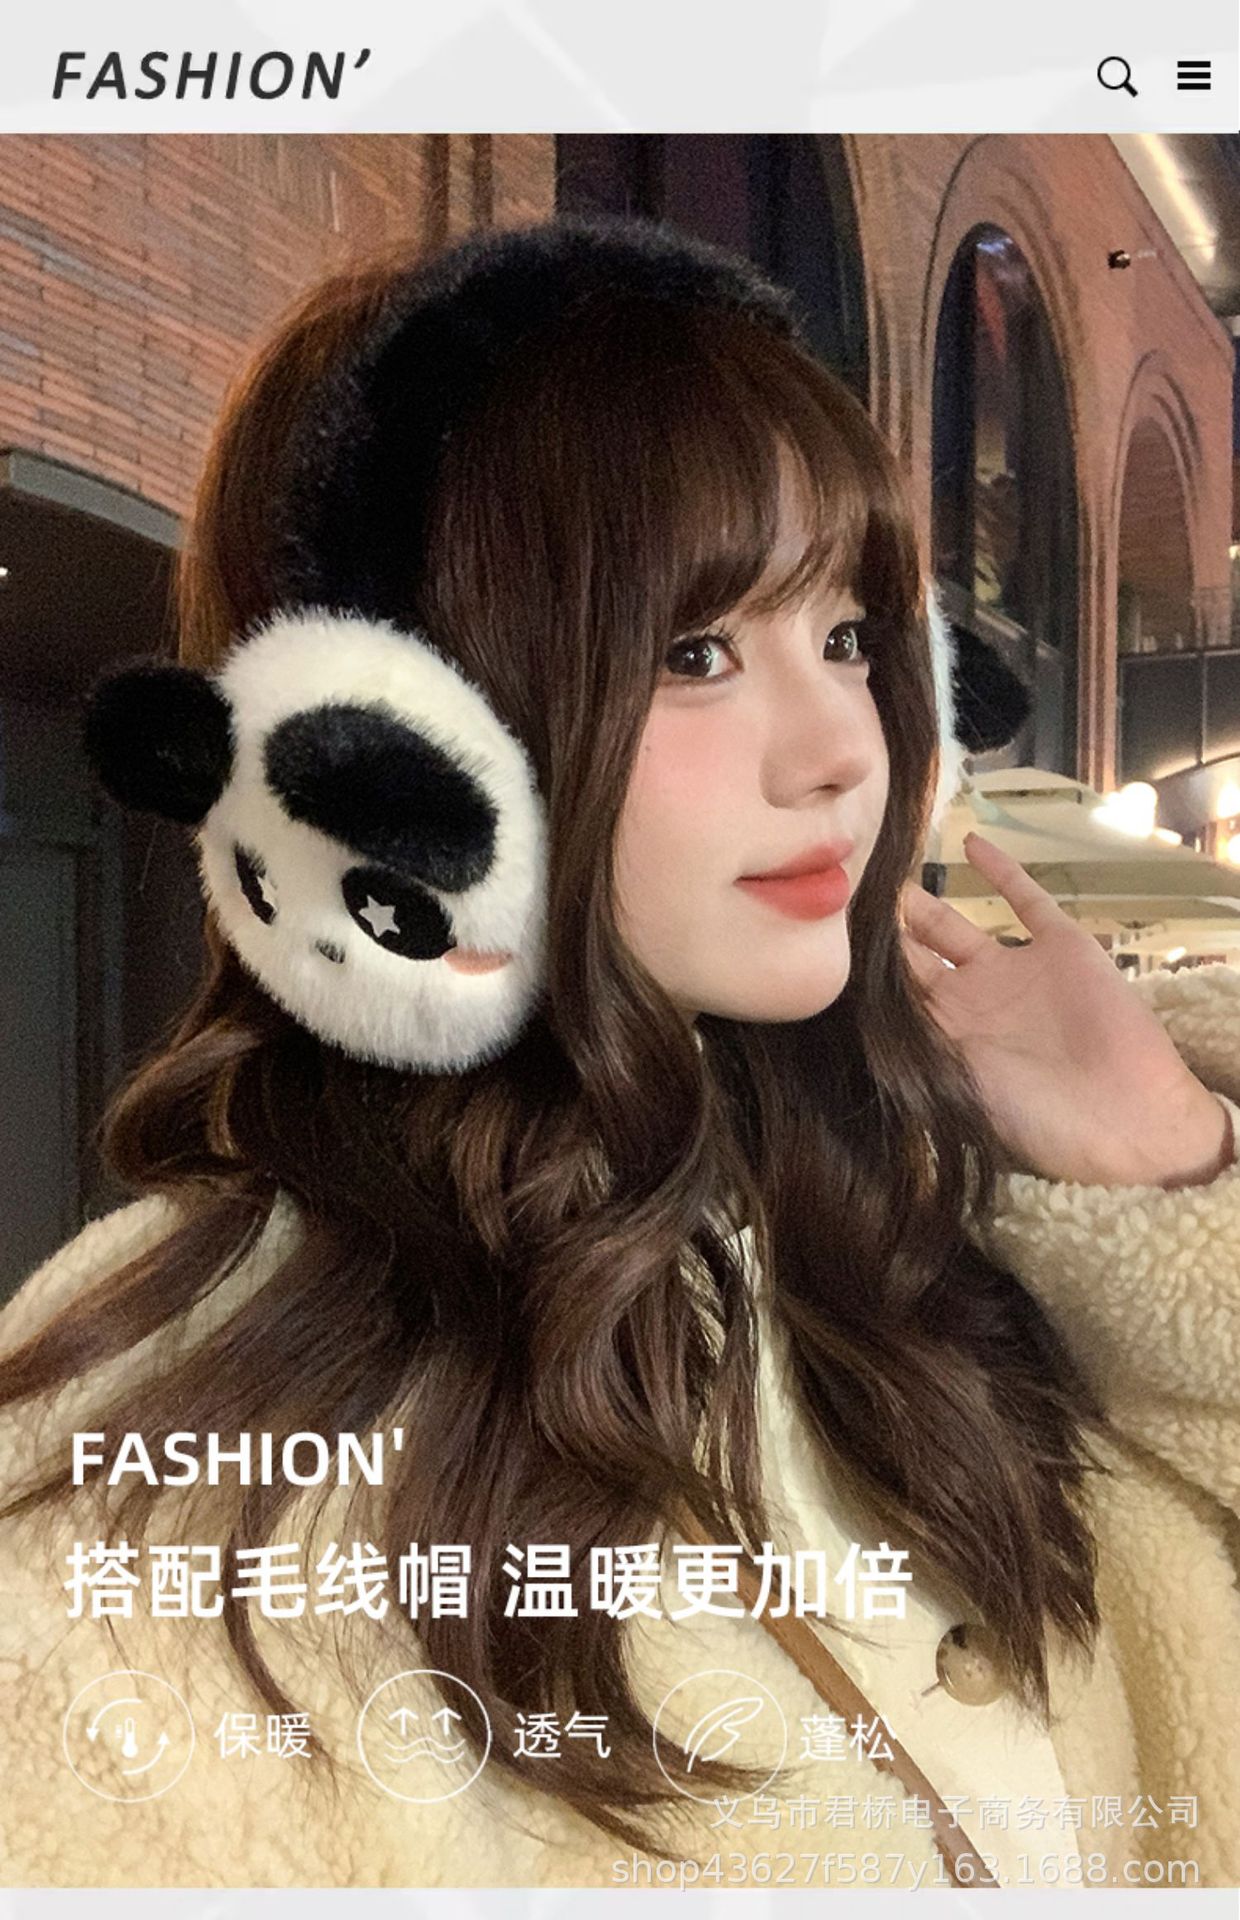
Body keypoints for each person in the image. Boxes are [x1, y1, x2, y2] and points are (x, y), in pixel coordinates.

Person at [0, 214, 1238, 1892]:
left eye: (850, 637)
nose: (839, 752)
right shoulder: (163, 1494)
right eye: (696, 652)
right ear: (402, 764)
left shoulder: (903, 1250)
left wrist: (1169, 1172)